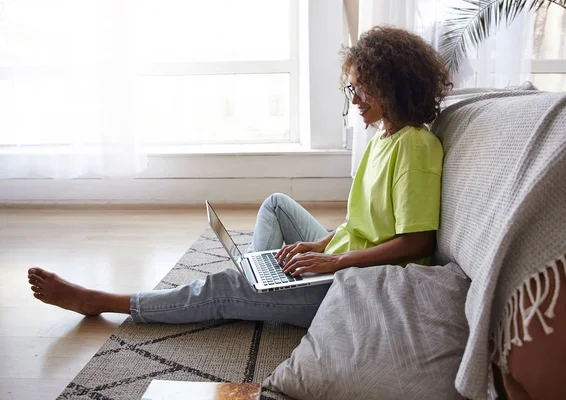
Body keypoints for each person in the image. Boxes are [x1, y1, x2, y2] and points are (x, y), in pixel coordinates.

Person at [27, 27, 452, 328]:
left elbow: (415, 242)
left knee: (218, 289)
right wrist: (319, 244)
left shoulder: (414, 145)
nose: (355, 99)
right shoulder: (383, 137)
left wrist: (334, 260)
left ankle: (100, 300)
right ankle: (261, 283)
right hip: (343, 259)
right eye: (352, 89)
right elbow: (365, 223)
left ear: (393, 86)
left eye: (363, 89)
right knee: (276, 205)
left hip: (360, 286)